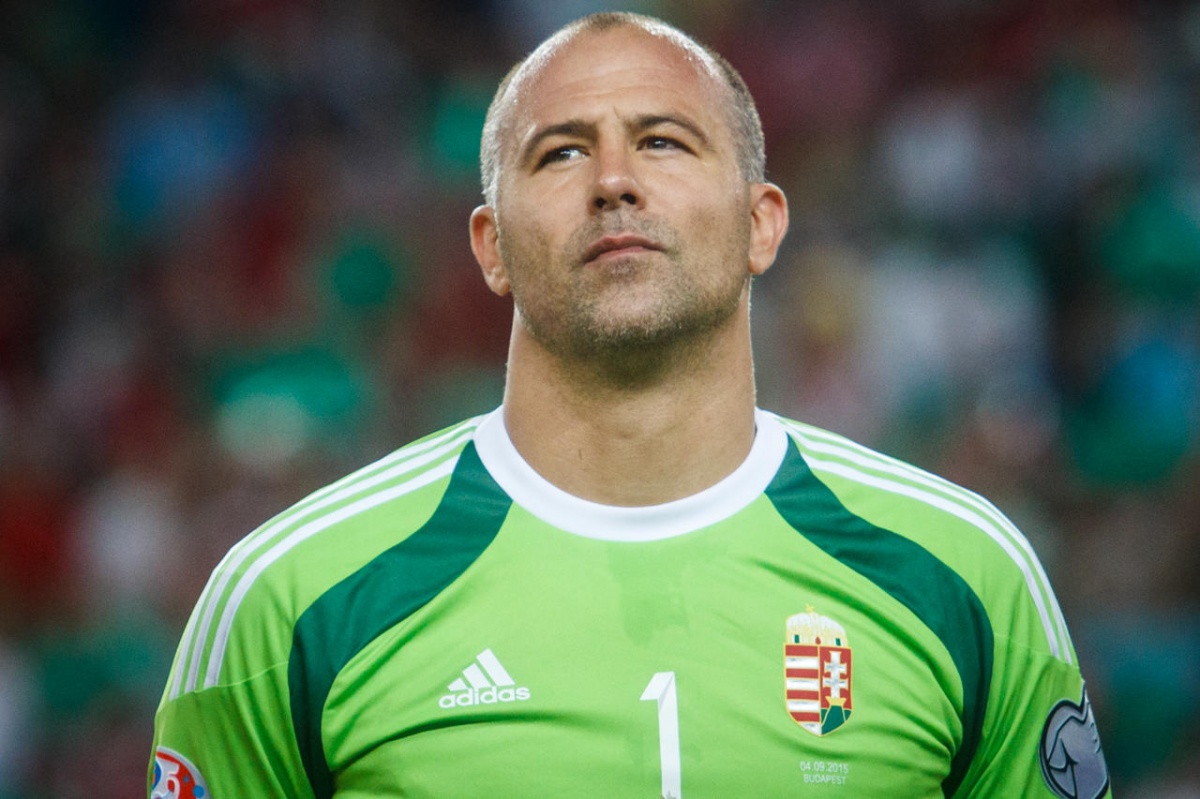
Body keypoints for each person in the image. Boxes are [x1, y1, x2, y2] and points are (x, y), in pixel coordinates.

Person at [149, 12, 1110, 799]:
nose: (614, 181)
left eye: (662, 141)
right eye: (561, 153)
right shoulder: (292, 602)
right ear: (490, 247)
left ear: (761, 223)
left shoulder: (965, 578)